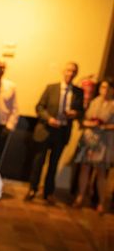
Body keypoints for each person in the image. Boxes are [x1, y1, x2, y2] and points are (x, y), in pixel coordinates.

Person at [26, 62, 84, 204]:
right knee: (38, 161)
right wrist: (49, 119)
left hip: (62, 132)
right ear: (63, 71)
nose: (70, 73)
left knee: (54, 164)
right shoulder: (51, 88)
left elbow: (81, 112)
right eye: (68, 70)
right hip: (46, 130)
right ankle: (32, 189)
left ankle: (48, 193)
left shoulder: (78, 92)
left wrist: (75, 113)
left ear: (76, 74)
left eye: (73, 71)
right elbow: (39, 107)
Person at [73, 78, 114, 213]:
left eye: (107, 88)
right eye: (102, 87)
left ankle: (101, 202)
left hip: (104, 140)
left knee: (101, 171)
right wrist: (88, 124)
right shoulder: (94, 102)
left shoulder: (113, 104)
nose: (105, 90)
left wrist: (104, 126)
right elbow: (84, 119)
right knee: (85, 167)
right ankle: (80, 196)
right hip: (89, 138)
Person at [0, 58, 18, 160]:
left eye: (3, 68)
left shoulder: (10, 86)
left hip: (2, 125)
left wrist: (9, 126)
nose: (1, 70)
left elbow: (14, 109)